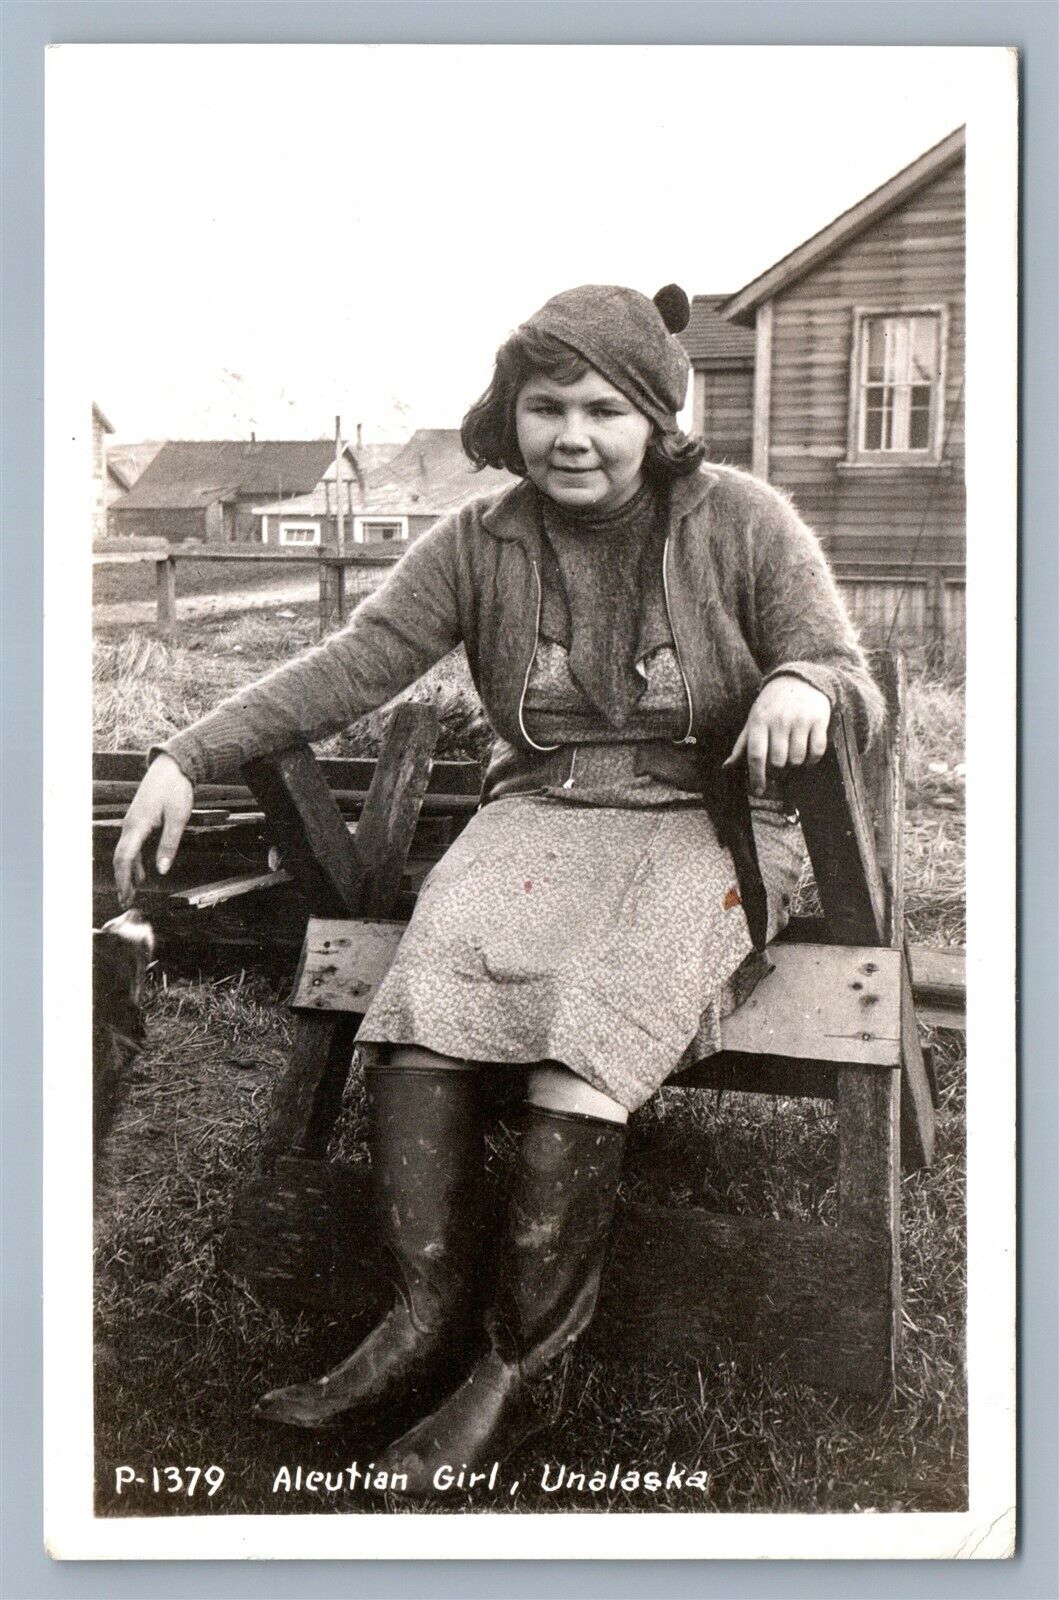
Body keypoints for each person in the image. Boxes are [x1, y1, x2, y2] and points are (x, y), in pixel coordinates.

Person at [114, 284, 885, 1491]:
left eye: (603, 410)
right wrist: (186, 752)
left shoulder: (744, 520)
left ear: (656, 419)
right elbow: (355, 663)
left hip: (713, 825)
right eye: (545, 407)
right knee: (426, 1015)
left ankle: (517, 1370)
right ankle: (419, 1317)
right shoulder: (480, 541)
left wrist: (804, 684)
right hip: (537, 819)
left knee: (583, 1047)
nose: (572, 436)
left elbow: (844, 669)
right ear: (509, 412)